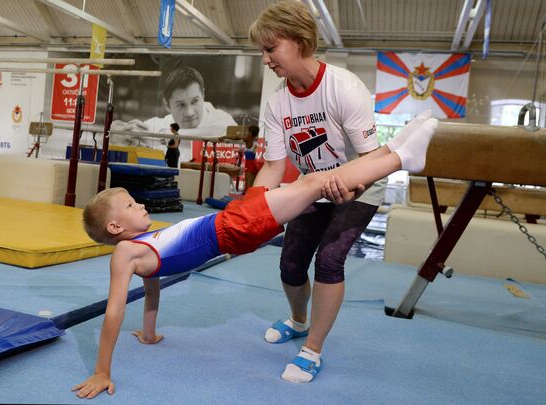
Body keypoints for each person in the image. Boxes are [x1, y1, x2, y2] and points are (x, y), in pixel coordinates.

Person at [71, 116, 438, 399]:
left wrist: (149, 335)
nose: (143, 204)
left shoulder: (144, 245)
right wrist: (103, 370)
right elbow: (115, 311)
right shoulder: (125, 252)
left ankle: (392, 151)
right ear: (117, 228)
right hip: (233, 228)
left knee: (309, 185)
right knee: (312, 184)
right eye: (132, 206)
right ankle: (400, 157)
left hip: (231, 221)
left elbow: (152, 292)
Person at [248, 0, 424, 383]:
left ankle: (312, 349)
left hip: (361, 185)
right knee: (290, 264)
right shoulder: (278, 102)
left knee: (329, 259)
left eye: (270, 48)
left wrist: (352, 183)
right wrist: (248, 210)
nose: (265, 60)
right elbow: (275, 167)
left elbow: (370, 158)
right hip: (313, 185)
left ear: (298, 41)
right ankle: (297, 320)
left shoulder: (343, 87)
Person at [112, 66, 236, 161]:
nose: (189, 112)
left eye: (195, 101)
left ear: (203, 95)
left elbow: (219, 134)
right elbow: (116, 130)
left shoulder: (223, 122)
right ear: (167, 105)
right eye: (181, 105)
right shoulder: (158, 126)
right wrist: (120, 134)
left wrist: (160, 136)